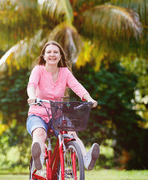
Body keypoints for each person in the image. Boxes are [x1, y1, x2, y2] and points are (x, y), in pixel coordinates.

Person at [26, 41, 99, 171]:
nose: (52, 55)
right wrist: (32, 96)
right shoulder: (38, 70)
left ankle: (86, 159)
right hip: (37, 114)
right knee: (40, 133)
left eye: (55, 52)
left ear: (60, 56)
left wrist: (89, 99)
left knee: (71, 134)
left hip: (57, 115)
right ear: (43, 56)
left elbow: (77, 86)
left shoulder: (64, 72)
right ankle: (40, 157)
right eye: (48, 52)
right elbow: (31, 85)